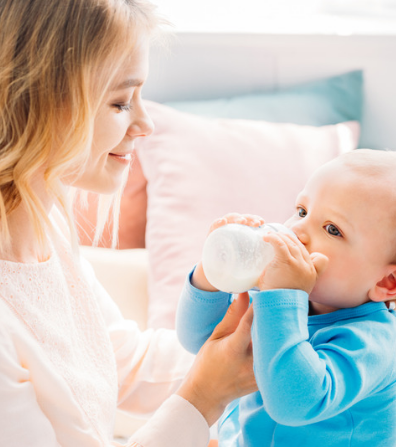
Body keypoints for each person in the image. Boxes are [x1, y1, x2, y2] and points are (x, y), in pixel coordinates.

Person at [0, 1, 257, 446]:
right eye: (120, 102)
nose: (146, 124)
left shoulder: (46, 227)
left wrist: (255, 338)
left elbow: (124, 361)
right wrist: (204, 398)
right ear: (32, 101)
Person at [176, 149, 396, 446]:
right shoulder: (280, 303)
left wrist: (281, 298)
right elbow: (200, 339)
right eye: (302, 211)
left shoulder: (373, 344)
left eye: (333, 230)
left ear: (388, 281)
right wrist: (211, 272)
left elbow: (294, 404)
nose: (297, 231)